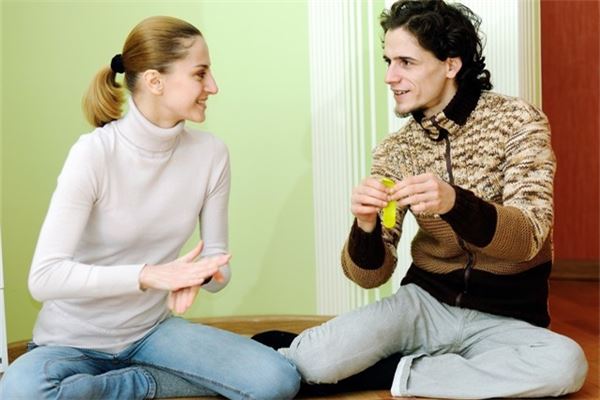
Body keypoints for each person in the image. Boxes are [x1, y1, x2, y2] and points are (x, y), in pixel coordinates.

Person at [270, 1, 588, 398]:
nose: (390, 77)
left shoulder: (518, 121)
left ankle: (394, 371)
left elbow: (529, 237)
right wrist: (366, 226)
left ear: (450, 64)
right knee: (312, 362)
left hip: (507, 319)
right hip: (424, 304)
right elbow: (372, 276)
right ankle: (436, 368)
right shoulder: (397, 150)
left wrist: (455, 203)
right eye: (388, 61)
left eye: (406, 62)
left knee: (565, 365)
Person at [0, 16, 300, 400]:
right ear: (156, 81)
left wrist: (199, 275)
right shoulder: (94, 154)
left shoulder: (211, 154)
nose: (213, 86)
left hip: (152, 334)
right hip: (70, 342)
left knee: (276, 380)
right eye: (200, 74)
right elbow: (44, 278)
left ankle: (137, 383)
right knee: (20, 391)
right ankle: (141, 382)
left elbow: (217, 260)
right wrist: (149, 275)